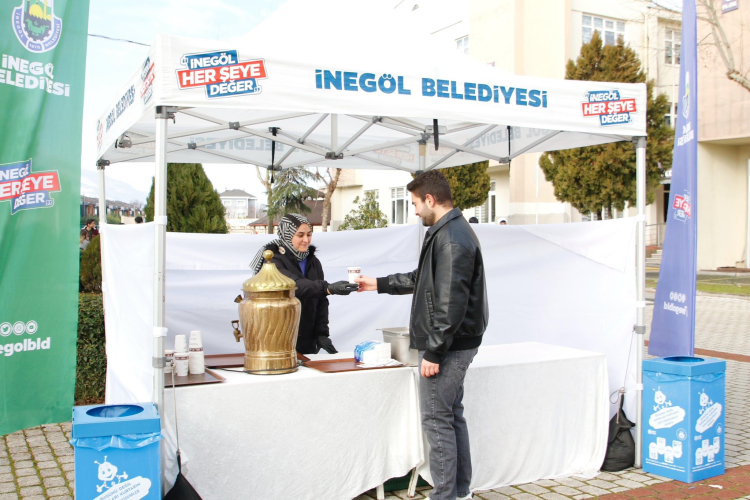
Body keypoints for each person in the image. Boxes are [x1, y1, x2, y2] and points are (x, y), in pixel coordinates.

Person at [356, 171, 487, 500]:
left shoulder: (452, 239)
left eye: (415, 204)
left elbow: (451, 303)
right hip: (455, 342)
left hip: (449, 345)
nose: (414, 211)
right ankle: (460, 493)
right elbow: (423, 279)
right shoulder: (447, 232)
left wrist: (434, 352)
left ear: (430, 199)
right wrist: (377, 284)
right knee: (450, 415)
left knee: (437, 418)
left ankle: (446, 496)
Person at [250, 214, 357, 354]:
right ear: (287, 235)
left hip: (307, 339)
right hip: (278, 338)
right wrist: (328, 288)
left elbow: (321, 301)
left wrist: (321, 334)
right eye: (300, 235)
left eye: (309, 234)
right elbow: (294, 285)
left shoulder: (313, 262)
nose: (306, 240)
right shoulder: (273, 262)